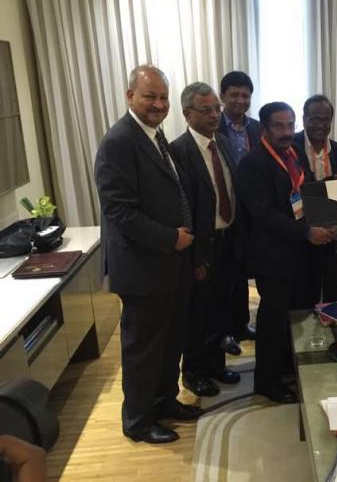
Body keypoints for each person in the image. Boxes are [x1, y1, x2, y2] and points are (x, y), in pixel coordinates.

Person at [94, 65, 202, 444]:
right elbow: (119, 212)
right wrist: (171, 238)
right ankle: (137, 421)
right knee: (143, 349)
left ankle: (164, 401)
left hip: (170, 265)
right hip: (144, 268)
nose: (158, 104)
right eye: (149, 96)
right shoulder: (119, 142)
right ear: (130, 96)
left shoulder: (155, 136)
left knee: (170, 341)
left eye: (163, 97)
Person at [237, 102, 336, 404]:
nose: (286, 132)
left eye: (290, 125)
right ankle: (266, 381)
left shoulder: (293, 154)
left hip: (299, 253)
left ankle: (287, 367)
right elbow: (264, 214)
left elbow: (304, 193)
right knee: (274, 320)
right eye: (278, 126)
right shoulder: (253, 163)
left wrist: (333, 184)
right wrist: (306, 233)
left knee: (298, 314)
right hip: (273, 255)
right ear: (265, 129)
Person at [170, 82, 243, 397]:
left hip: (227, 239)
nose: (215, 115)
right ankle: (194, 372)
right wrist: (195, 256)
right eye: (206, 110)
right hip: (202, 246)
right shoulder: (178, 151)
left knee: (221, 309)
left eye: (217, 108)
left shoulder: (222, 142)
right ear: (188, 114)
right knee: (198, 313)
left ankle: (215, 364)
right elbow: (180, 208)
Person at [294, 94, 337, 302]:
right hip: (301, 232)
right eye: (314, 119)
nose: (320, 125)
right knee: (303, 293)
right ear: (304, 119)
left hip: (331, 232)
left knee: (330, 293)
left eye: (325, 120)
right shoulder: (291, 146)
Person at [218, 70, 260, 342]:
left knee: (243, 268)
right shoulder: (212, 127)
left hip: (252, 210)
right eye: (234, 95)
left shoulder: (258, 128)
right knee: (225, 273)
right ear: (223, 96)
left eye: (245, 95)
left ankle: (242, 323)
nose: (240, 101)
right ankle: (225, 330)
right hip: (223, 209)